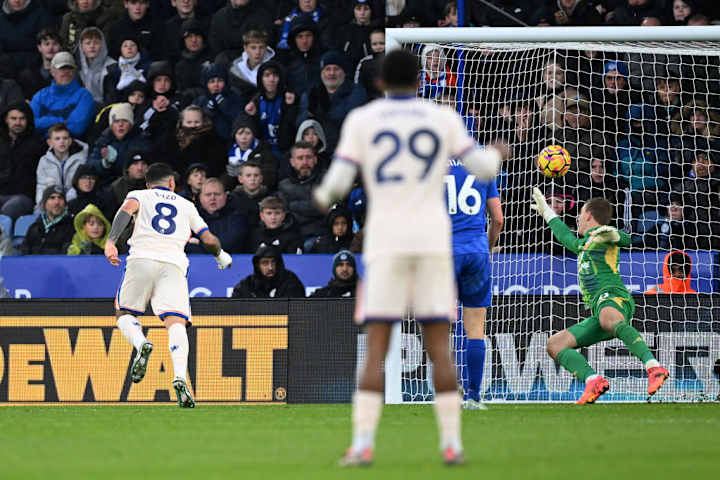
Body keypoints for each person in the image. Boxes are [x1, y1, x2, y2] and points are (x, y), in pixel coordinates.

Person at [312, 49, 501, 467]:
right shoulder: (443, 119)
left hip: (387, 245)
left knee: (377, 347)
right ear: (420, 81)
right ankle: (452, 444)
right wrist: (498, 153)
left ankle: (362, 444)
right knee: (439, 346)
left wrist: (323, 198)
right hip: (434, 245)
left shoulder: (363, 121)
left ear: (379, 83)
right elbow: (483, 167)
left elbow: (337, 184)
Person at [104, 162, 232, 408]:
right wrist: (221, 255)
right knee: (176, 322)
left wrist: (111, 241)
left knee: (124, 312)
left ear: (148, 183)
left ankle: (141, 343)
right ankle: (180, 377)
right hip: (173, 265)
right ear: (172, 183)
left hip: (142, 258)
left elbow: (126, 211)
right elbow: (207, 238)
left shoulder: (139, 195)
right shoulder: (187, 205)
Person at [530, 189, 670, 405]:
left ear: (587, 215)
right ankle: (593, 380)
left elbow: (624, 238)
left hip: (615, 298)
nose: (577, 219)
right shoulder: (584, 244)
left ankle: (654, 367)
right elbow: (565, 236)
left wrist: (607, 232)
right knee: (555, 345)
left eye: (579, 214)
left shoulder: (604, 236)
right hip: (600, 309)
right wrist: (548, 213)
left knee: (608, 318)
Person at [447, 155, 504, 410]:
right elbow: (499, 219)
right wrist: (487, 248)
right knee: (475, 329)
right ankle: (473, 396)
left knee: (438, 325)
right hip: (477, 251)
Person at [29, 51, 95, 139]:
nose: (66, 72)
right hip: (41, 146)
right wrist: (60, 121)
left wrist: (45, 126)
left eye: (70, 68)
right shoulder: (40, 96)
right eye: (62, 68)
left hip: (74, 146)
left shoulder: (84, 96)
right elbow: (30, 124)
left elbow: (77, 128)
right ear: (52, 72)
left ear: (75, 71)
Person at [0, 102, 46, 219]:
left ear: (28, 120)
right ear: (6, 119)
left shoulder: (38, 144)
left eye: (22, 119)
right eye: (13, 118)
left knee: (8, 212)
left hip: (23, 196)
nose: (17, 123)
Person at [88, 102, 151, 185]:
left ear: (131, 125)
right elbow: (90, 164)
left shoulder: (141, 141)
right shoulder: (103, 141)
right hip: (108, 186)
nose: (120, 125)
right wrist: (104, 163)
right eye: (116, 121)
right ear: (111, 126)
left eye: (125, 121)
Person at [278, 141, 326, 248]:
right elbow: (285, 216)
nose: (305, 162)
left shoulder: (326, 181)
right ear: (292, 162)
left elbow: (323, 209)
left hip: (319, 235)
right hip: (293, 236)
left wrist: (294, 205)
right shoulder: (284, 185)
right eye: (300, 158)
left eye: (308, 157)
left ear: (315, 160)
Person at [186, 177, 248, 254]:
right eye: (208, 195)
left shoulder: (238, 219)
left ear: (225, 196)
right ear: (200, 198)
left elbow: (227, 245)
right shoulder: (190, 220)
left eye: (217, 194)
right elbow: (185, 246)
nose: (212, 198)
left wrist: (199, 244)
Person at [35, 123, 88, 210]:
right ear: (50, 142)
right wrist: (43, 203)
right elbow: (41, 185)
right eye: (57, 139)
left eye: (65, 138)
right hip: (53, 202)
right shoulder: (44, 161)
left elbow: (80, 186)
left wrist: (64, 202)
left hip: (75, 202)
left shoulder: (81, 159)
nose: (62, 141)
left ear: (70, 141)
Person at [231, 243, 305, 298]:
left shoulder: (290, 282)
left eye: (273, 262)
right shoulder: (247, 285)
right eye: (265, 263)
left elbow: (298, 309)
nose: (270, 267)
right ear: (257, 266)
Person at [19, 185, 75, 255]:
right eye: (52, 198)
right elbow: (23, 256)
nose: (57, 202)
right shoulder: (34, 228)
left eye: (60, 198)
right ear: (44, 203)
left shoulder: (71, 226)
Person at [230, 161, 268, 228]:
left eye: (256, 175)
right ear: (240, 179)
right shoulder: (231, 199)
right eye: (248, 175)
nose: (252, 179)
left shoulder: (269, 198)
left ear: (261, 178)